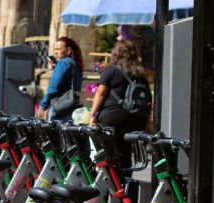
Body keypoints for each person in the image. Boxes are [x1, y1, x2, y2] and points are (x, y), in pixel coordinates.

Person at [89, 40, 152, 171]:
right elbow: (147, 100)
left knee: (106, 155)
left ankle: (109, 186)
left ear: (116, 54)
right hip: (135, 120)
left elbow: (100, 93)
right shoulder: (140, 76)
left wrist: (92, 114)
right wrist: (147, 124)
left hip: (111, 118)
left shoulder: (111, 70)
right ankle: (125, 186)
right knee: (126, 156)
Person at [37, 36, 83, 122]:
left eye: (58, 49)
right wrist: (57, 67)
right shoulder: (75, 64)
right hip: (74, 108)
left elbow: (54, 86)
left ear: (68, 50)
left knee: (56, 133)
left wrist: (43, 105)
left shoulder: (63, 63)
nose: (55, 52)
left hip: (61, 108)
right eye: (55, 49)